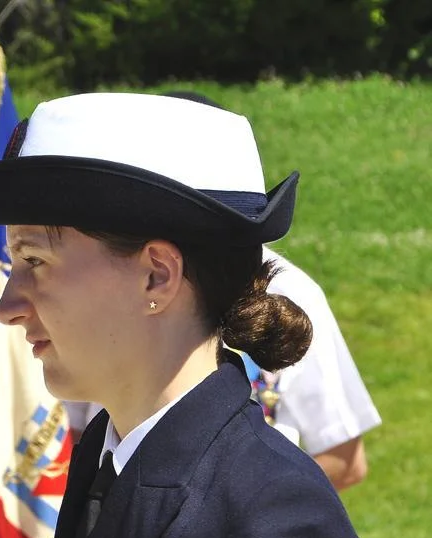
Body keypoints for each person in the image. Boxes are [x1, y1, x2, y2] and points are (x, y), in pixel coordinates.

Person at [0, 92, 384, 538]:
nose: (9, 305)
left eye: (34, 260)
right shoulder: (105, 465)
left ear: (157, 275)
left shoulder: (272, 515)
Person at [64, 90, 382, 491]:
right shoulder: (101, 289)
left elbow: (345, 458)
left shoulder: (292, 293)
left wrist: (228, 506)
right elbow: (71, 439)